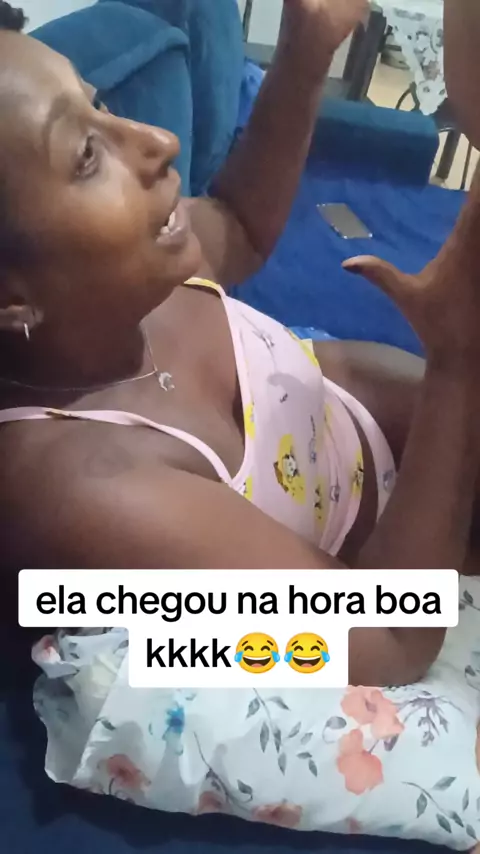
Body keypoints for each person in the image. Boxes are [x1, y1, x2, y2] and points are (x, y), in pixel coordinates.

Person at [0, 0, 478, 689]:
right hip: (395, 563)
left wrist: (307, 50)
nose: (159, 140)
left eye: (100, 103)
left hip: (386, 429)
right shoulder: (79, 487)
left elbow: (239, 224)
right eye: (86, 156)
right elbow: (389, 642)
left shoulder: (117, 283)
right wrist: (458, 365)